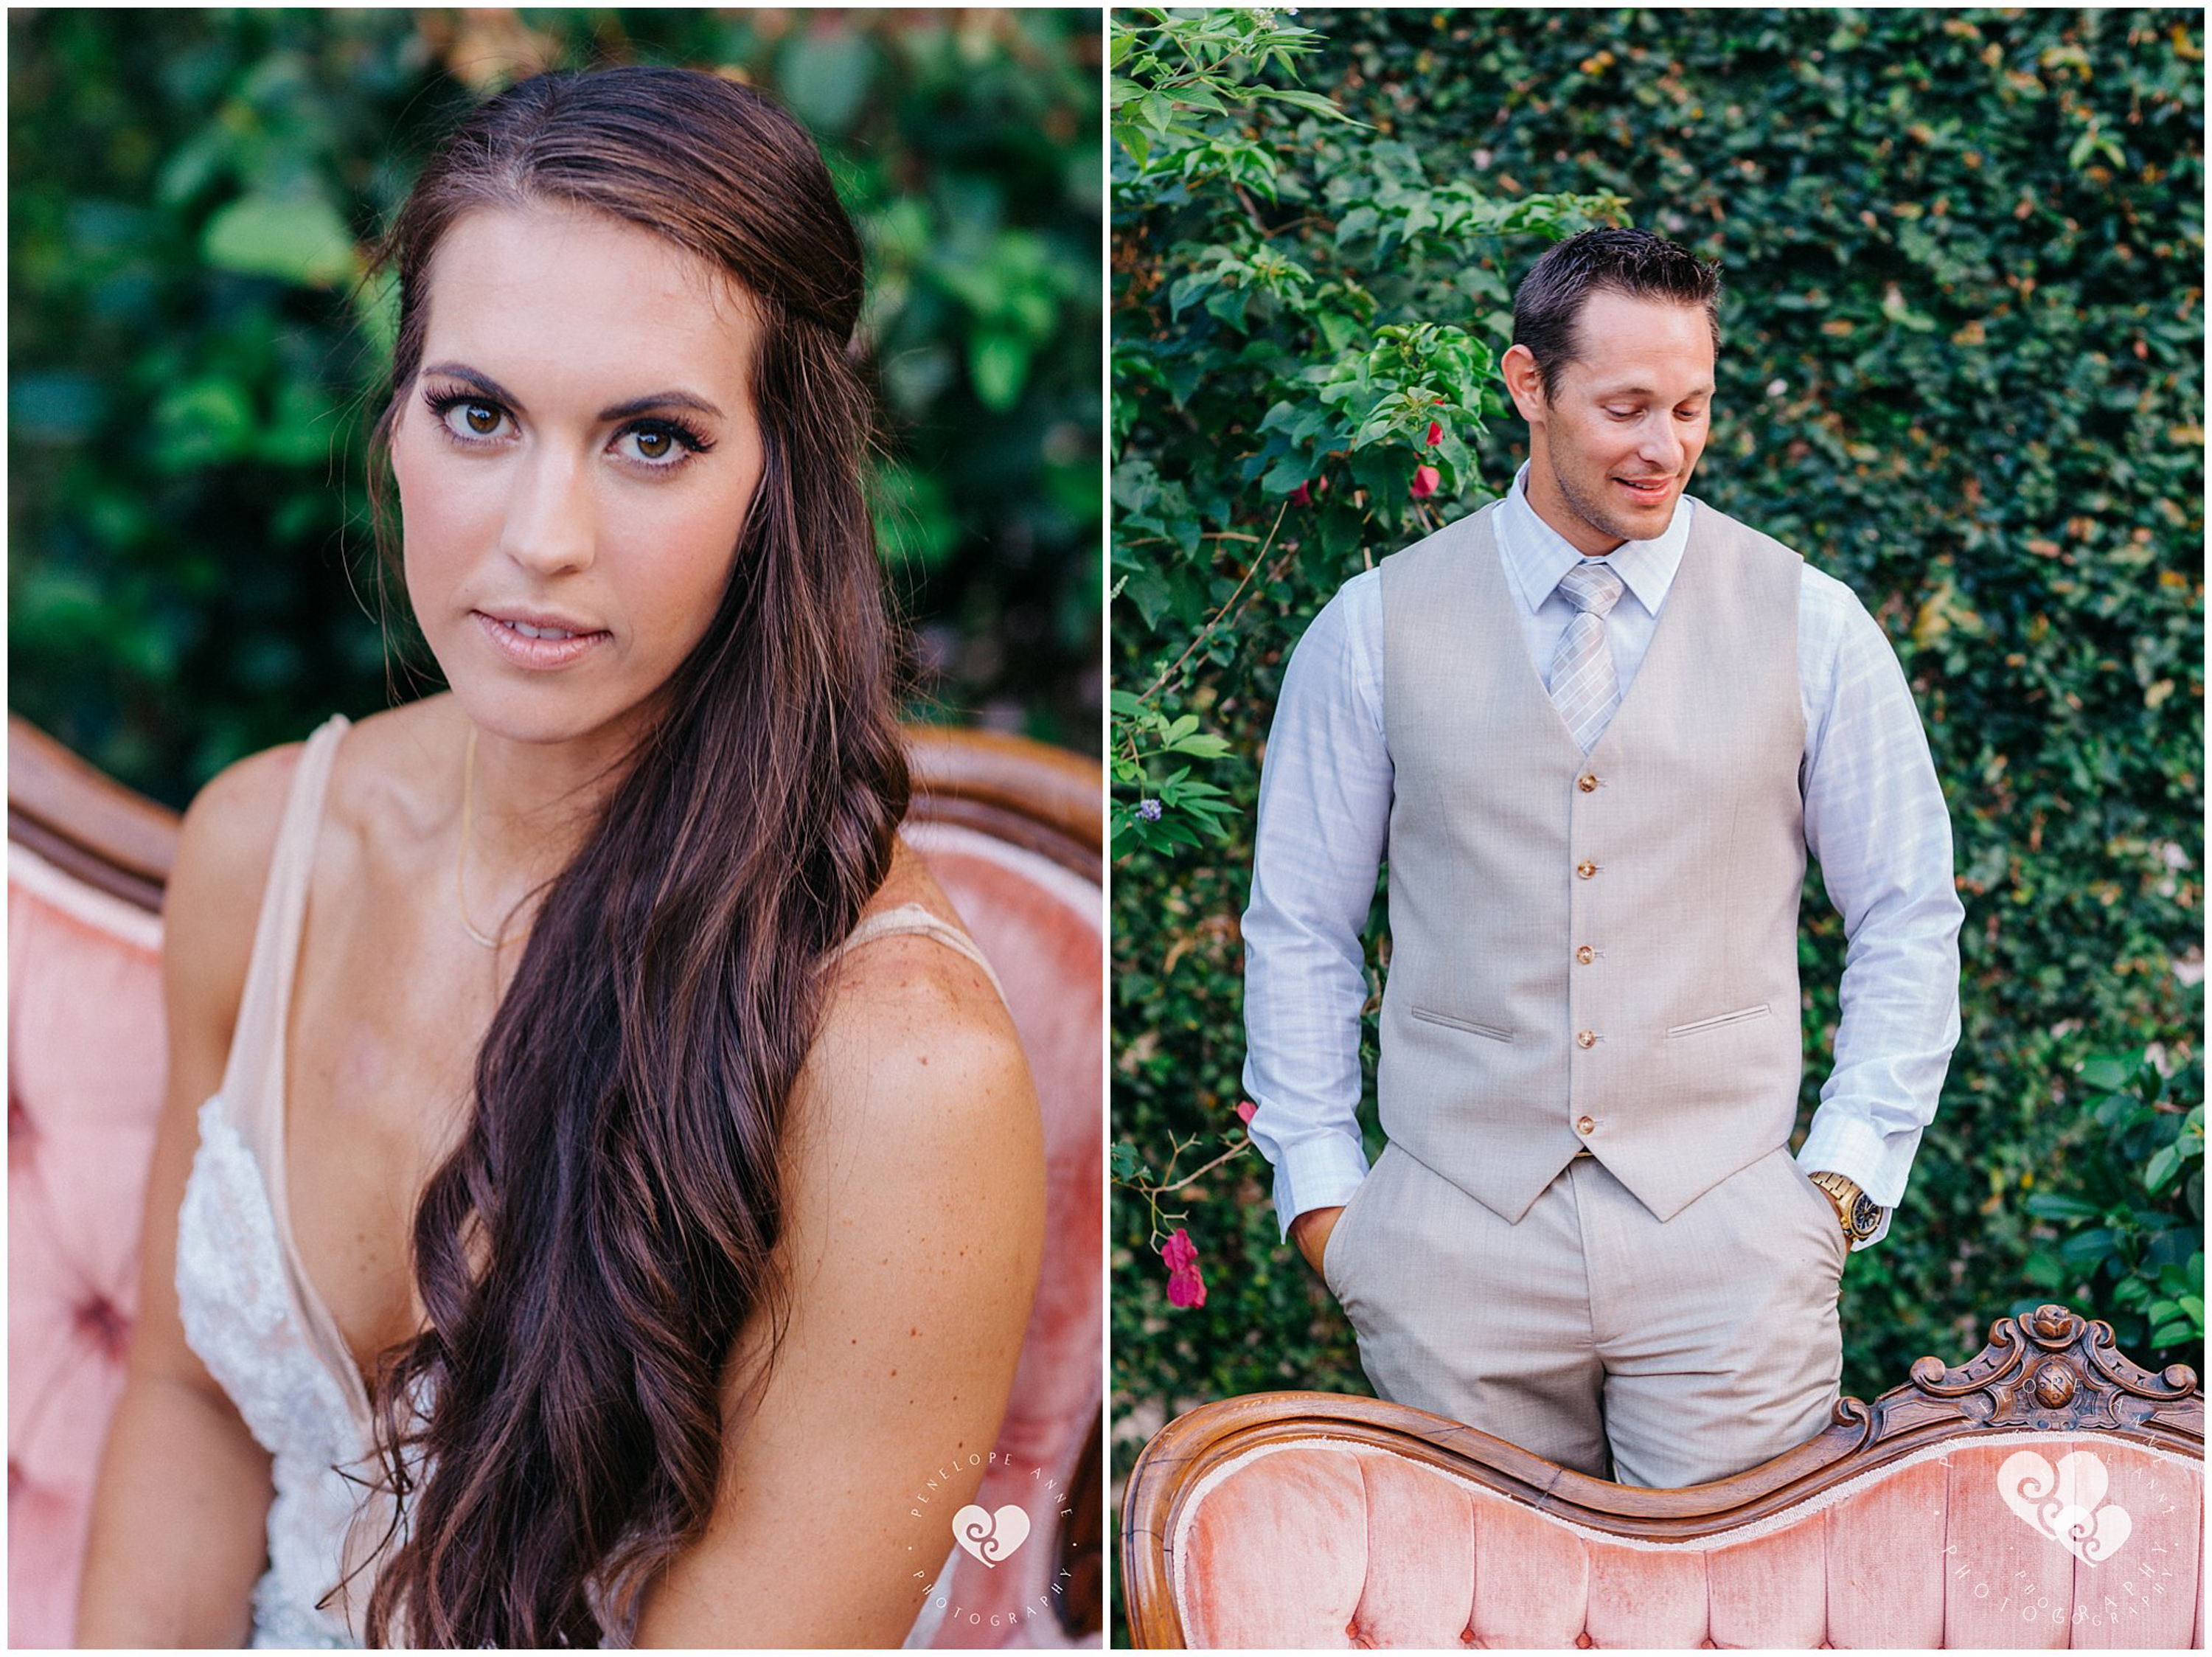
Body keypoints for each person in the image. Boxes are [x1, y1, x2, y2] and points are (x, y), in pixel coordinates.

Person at [75, 65, 1045, 1648]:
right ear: (395, 425)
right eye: (479, 413)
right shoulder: (263, 850)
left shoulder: (898, 1072)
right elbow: (186, 1401)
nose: (543, 534)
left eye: (651, 439)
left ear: (776, 484)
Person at [1240, 227, 1964, 1490]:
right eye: (1626, 407)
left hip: (1729, 1247)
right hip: (1454, 1248)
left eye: (1691, 408)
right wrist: (1328, 1205)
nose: (1665, 447)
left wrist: (1840, 1184)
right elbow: (1300, 924)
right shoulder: (1370, 631)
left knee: (1738, 1622)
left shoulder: (1814, 625)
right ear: (1529, 385)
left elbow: (1907, 912)